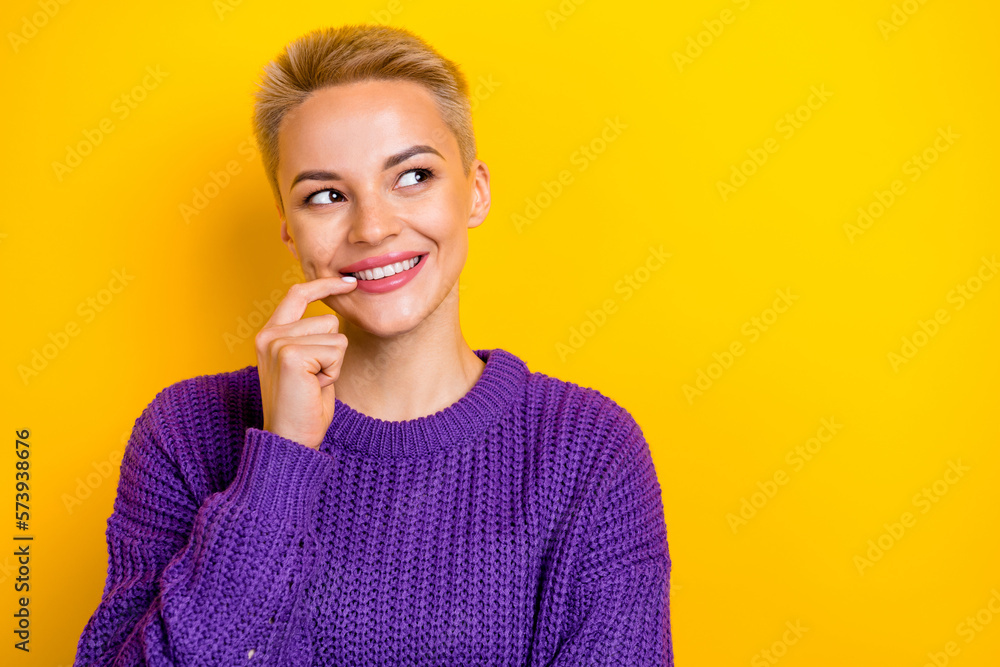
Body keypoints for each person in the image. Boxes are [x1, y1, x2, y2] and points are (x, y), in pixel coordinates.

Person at [73, 23, 673, 666]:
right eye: (326, 195)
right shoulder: (185, 435)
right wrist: (277, 467)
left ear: (475, 191)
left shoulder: (587, 450)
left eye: (412, 176)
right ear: (288, 227)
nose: (374, 227)